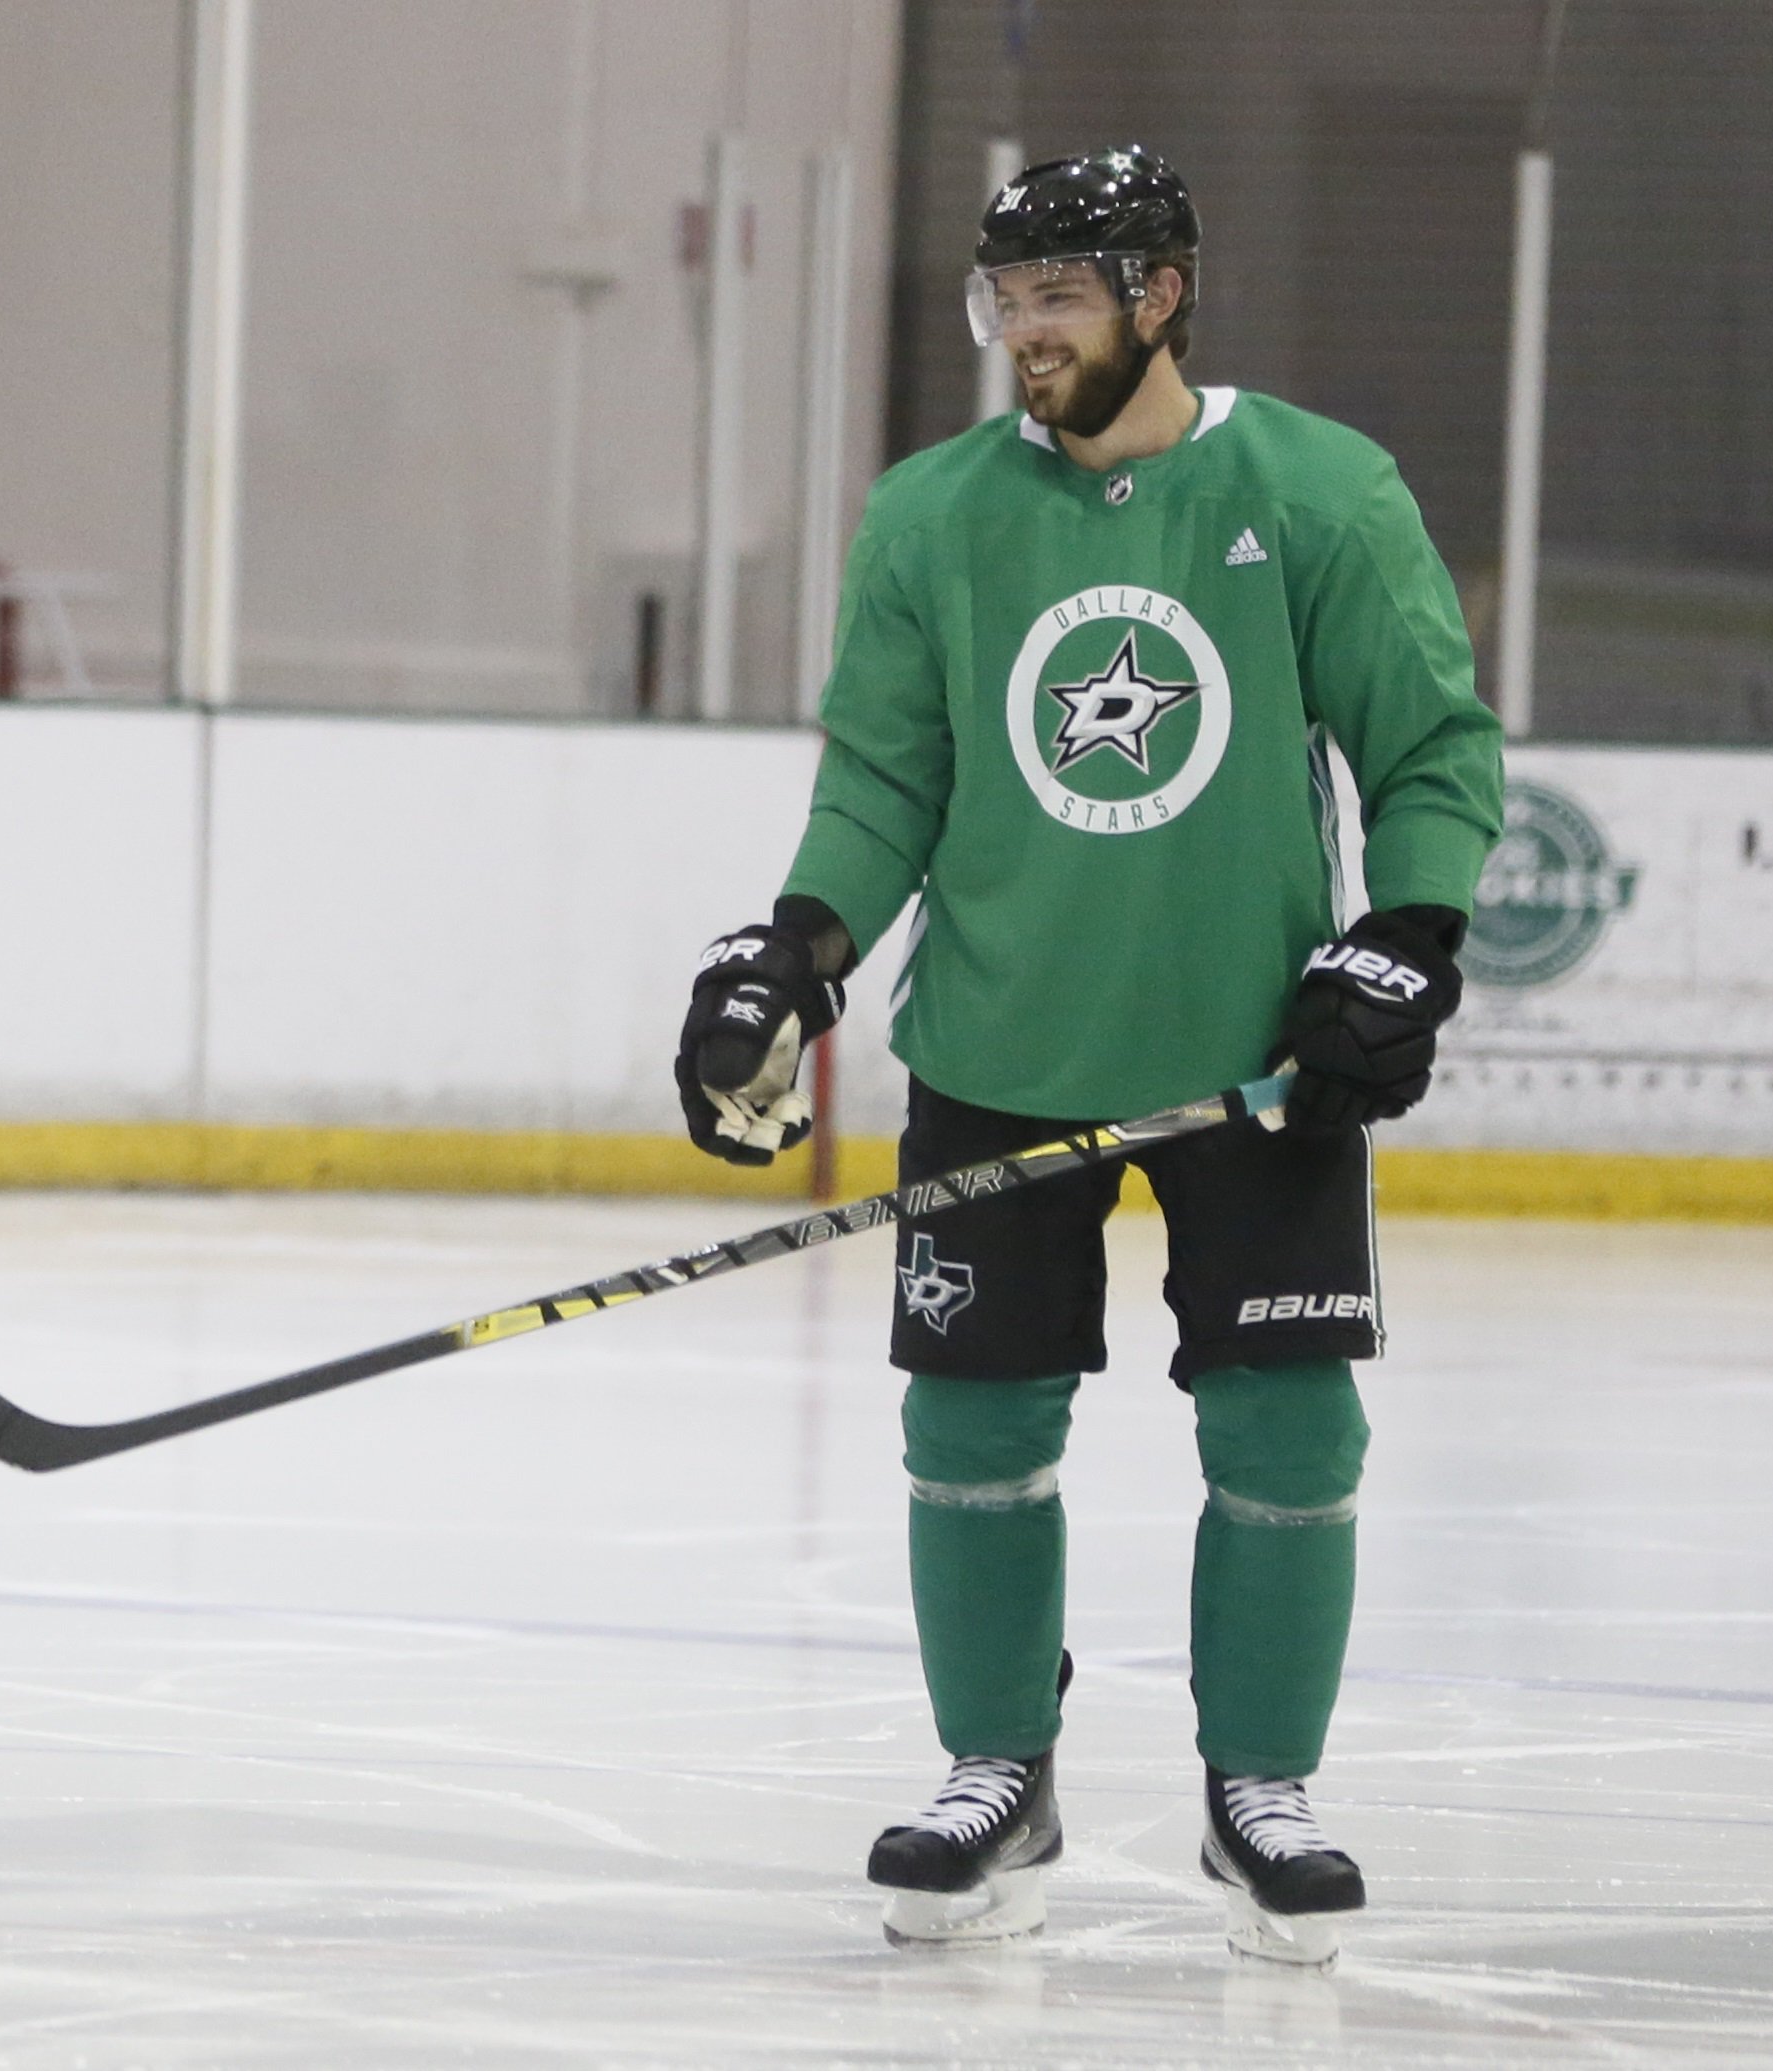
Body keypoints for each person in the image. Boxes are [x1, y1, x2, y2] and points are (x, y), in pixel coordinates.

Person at [675, 146, 1504, 1968]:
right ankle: (999, 1773)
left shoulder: (1319, 492)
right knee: (970, 1423)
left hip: (1251, 1062)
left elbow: (1431, 747)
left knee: (1288, 1426)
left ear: (1159, 293)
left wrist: (1407, 934)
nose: (1022, 337)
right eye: (1004, 303)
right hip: (1000, 1039)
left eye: (1056, 298)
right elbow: (885, 783)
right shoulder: (931, 516)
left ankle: (1260, 1793)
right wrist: (787, 958)